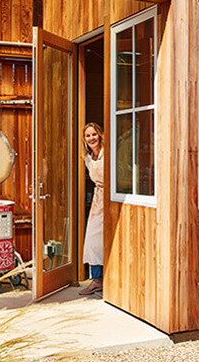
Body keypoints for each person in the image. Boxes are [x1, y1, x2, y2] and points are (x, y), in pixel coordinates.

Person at [79, 122, 104, 295]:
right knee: (93, 240)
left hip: (111, 197)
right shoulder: (87, 157)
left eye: (94, 134)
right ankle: (97, 279)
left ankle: (106, 278)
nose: (91, 138)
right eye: (88, 136)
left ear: (100, 135)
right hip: (98, 199)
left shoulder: (107, 153)